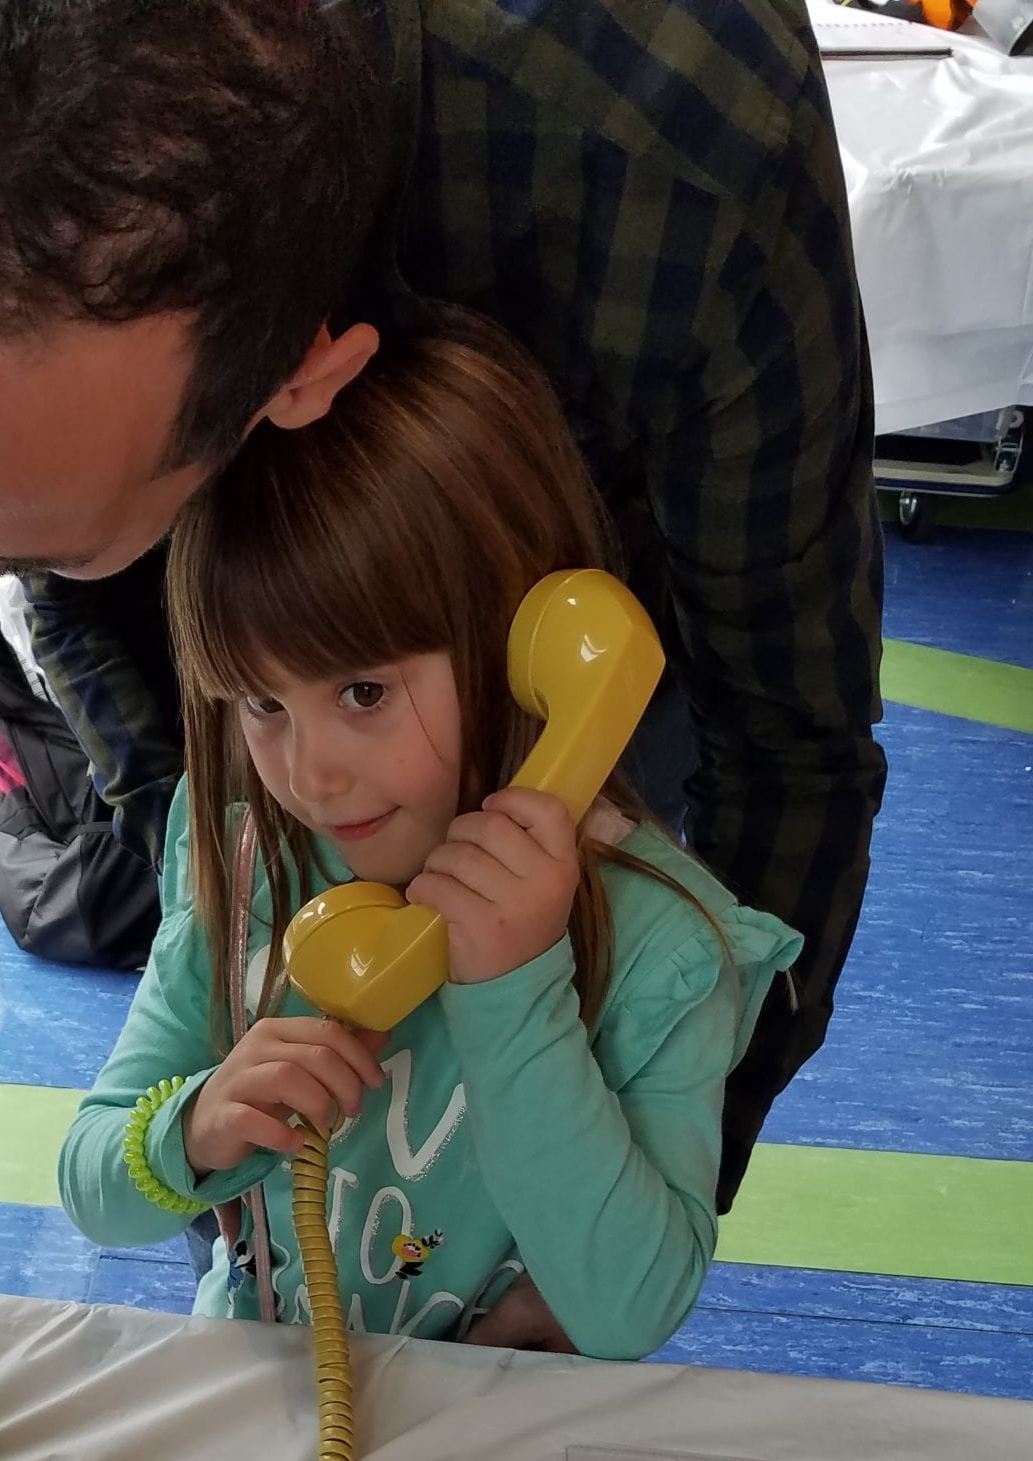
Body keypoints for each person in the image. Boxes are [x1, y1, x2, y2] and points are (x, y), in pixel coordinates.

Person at [0, 0, 885, 1207]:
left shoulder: (687, 149)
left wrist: (676, 1161)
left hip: (590, 625)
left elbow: (791, 746)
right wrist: (212, 905)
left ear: (298, 381)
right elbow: (67, 585)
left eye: (48, 536)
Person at [60, 316, 801, 1355]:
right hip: (268, 1387)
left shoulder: (662, 951)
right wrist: (196, 1124)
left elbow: (633, 1311)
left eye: (363, 690)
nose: (307, 775)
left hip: (489, 1433)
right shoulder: (246, 856)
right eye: (261, 705)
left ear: (526, 649)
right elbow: (92, 1179)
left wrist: (511, 990)